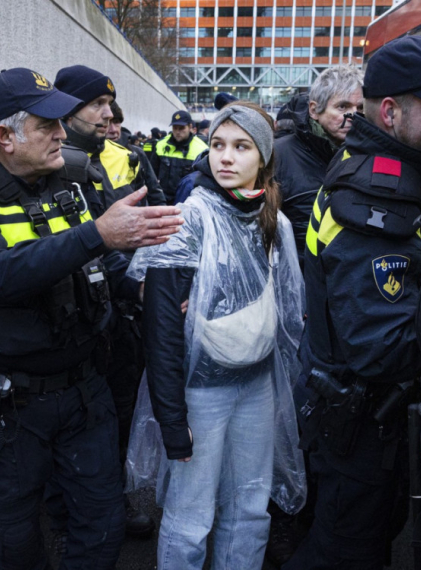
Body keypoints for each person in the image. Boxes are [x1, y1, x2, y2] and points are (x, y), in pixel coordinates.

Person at [0, 67, 184, 570]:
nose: (63, 134)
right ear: (4, 137)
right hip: (10, 405)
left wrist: (140, 289)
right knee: (21, 540)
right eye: (47, 125)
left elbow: (96, 266)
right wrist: (99, 236)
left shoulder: (72, 176)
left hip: (86, 389)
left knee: (103, 527)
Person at [284, 35, 421, 570]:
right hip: (364, 424)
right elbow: (383, 349)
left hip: (369, 418)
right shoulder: (375, 194)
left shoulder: (399, 169)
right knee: (346, 551)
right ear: (392, 112)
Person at [128, 102, 305, 569]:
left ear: (263, 159)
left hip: (257, 385)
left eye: (241, 147)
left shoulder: (275, 223)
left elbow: (288, 312)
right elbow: (162, 331)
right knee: (191, 516)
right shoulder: (189, 218)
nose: (224, 157)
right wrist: (171, 417)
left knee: (250, 509)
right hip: (202, 391)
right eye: (219, 145)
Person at [53, 65, 160, 541]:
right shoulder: (56, 164)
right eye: (96, 104)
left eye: (110, 104)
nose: (109, 113)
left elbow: (138, 227)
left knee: (114, 404)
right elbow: (85, 246)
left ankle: (105, 496)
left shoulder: (109, 158)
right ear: (67, 108)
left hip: (116, 307)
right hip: (76, 315)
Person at [275, 66, 363, 269]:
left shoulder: (372, 155)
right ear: (314, 110)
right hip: (296, 283)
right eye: (342, 107)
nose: (354, 116)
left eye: (360, 108)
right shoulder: (277, 155)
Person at [151, 110, 208, 204]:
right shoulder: (160, 145)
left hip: (187, 202)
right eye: (175, 128)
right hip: (163, 201)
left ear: (190, 127)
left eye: (181, 128)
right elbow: (152, 176)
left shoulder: (202, 149)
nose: (177, 132)